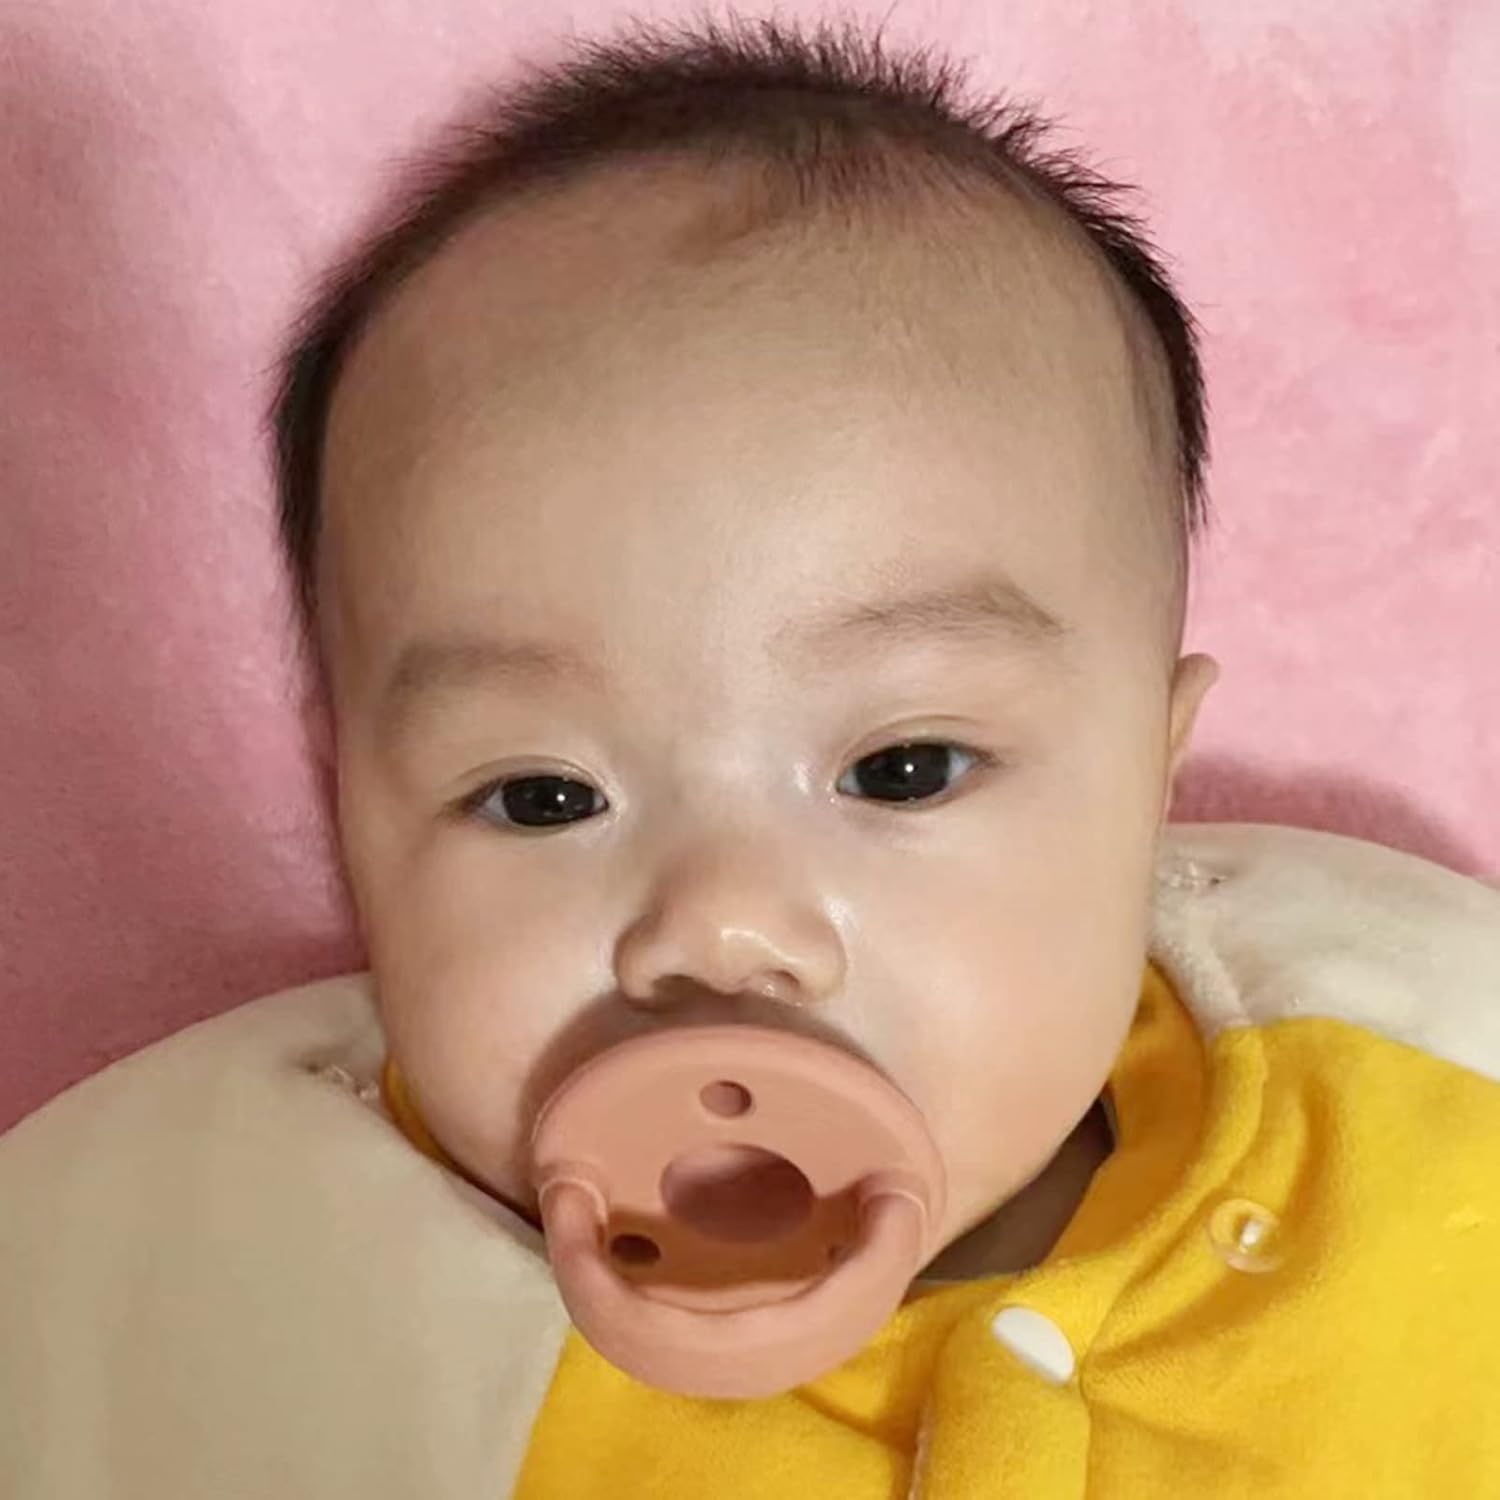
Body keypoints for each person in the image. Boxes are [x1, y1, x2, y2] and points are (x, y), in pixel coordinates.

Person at [3, 14, 1498, 1497]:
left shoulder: (1425, 1105)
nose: (718, 928)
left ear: (1154, 778)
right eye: (543, 796)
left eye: (904, 770)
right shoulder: (210, 1280)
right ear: (348, 816)